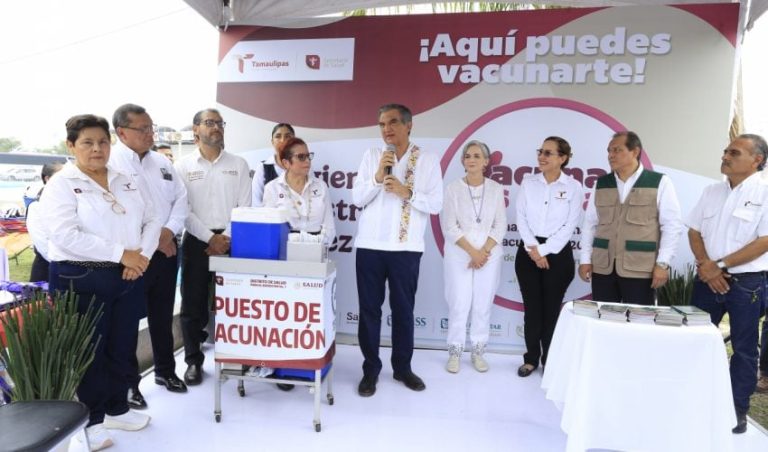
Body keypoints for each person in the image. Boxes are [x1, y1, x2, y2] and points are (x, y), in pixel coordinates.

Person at [40, 114, 161, 451]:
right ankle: (90, 423)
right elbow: (64, 235)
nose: (97, 149)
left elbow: (153, 218)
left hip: (129, 273)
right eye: (88, 143)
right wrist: (122, 254)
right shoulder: (62, 185)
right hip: (81, 277)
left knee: (121, 346)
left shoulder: (125, 179)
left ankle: (116, 408)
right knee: (88, 353)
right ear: (71, 146)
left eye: (103, 142)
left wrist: (141, 257)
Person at [352, 103, 443, 396]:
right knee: (369, 310)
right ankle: (370, 370)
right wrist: (378, 177)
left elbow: (436, 204)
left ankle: (402, 368)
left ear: (408, 125)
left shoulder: (427, 159)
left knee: (403, 310)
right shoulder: (372, 156)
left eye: (392, 122)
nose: (386, 129)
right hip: (370, 246)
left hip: (406, 248)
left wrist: (408, 193)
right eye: (381, 124)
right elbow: (357, 198)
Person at [687, 133, 768, 434]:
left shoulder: (765, 192)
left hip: (747, 284)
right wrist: (706, 266)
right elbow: (694, 231)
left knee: (744, 349)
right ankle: (693, 398)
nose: (725, 156)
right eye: (725, 151)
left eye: (734, 153)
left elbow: (764, 241)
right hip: (706, 280)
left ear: (757, 160)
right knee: (694, 340)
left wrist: (718, 266)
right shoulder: (711, 191)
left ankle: (736, 408)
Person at [110, 104, 189, 409]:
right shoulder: (112, 163)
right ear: (122, 132)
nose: (149, 133)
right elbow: (125, 212)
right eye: (142, 129)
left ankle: (165, 371)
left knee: (162, 315)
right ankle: (130, 384)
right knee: (129, 322)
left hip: (166, 250)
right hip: (134, 256)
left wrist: (168, 232)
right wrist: (155, 241)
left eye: (150, 127)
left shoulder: (163, 162)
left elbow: (181, 200)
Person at [175, 108, 252, 386]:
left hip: (233, 239)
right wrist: (209, 238)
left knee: (233, 303)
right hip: (197, 240)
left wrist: (224, 238)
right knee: (192, 304)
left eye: (220, 123)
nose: (216, 127)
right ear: (196, 129)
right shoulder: (182, 166)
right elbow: (182, 209)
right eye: (209, 122)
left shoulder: (238, 164)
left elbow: (245, 206)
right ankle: (193, 361)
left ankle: (234, 357)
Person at [578, 131, 683, 305]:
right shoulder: (601, 183)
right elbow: (590, 224)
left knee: (638, 318)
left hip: (641, 269)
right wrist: (584, 260)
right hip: (603, 268)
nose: (611, 155)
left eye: (617, 150)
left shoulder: (659, 182)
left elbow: (672, 226)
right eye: (609, 151)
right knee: (603, 317)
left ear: (635, 151)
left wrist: (662, 263)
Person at [515, 137, 583, 377]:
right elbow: (521, 217)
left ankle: (550, 361)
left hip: (558, 253)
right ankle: (531, 358)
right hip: (528, 251)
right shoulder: (528, 183)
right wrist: (534, 250)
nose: (541, 157)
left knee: (552, 310)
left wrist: (543, 251)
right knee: (532, 309)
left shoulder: (574, 187)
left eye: (548, 153)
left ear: (562, 158)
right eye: (540, 152)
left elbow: (570, 225)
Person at [440, 140, 506, 374]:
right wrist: (473, 252)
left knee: (482, 304)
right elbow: (449, 226)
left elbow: (500, 225)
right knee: (459, 303)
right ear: (462, 161)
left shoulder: (496, 189)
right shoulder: (452, 189)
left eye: (477, 156)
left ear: (486, 161)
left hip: (489, 256)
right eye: (468, 156)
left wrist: (483, 252)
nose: (471, 160)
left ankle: (478, 351)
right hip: (459, 255)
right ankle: (455, 351)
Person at [263, 137, 335, 240]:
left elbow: (329, 228)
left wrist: (318, 244)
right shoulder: (272, 188)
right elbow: (269, 228)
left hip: (317, 247)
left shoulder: (321, 186)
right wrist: (295, 242)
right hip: (284, 247)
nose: (307, 161)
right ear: (286, 163)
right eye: (301, 157)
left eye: (308, 156)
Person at [26, 161, 64, 282]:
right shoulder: (36, 206)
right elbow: (43, 244)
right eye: (61, 176)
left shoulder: (67, 202)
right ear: (47, 179)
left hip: (69, 268)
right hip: (47, 269)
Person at [252, 123, 295, 206]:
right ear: (272, 142)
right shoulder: (263, 168)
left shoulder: (303, 166)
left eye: (287, 136)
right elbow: (256, 201)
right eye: (278, 136)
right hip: (268, 214)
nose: (283, 140)